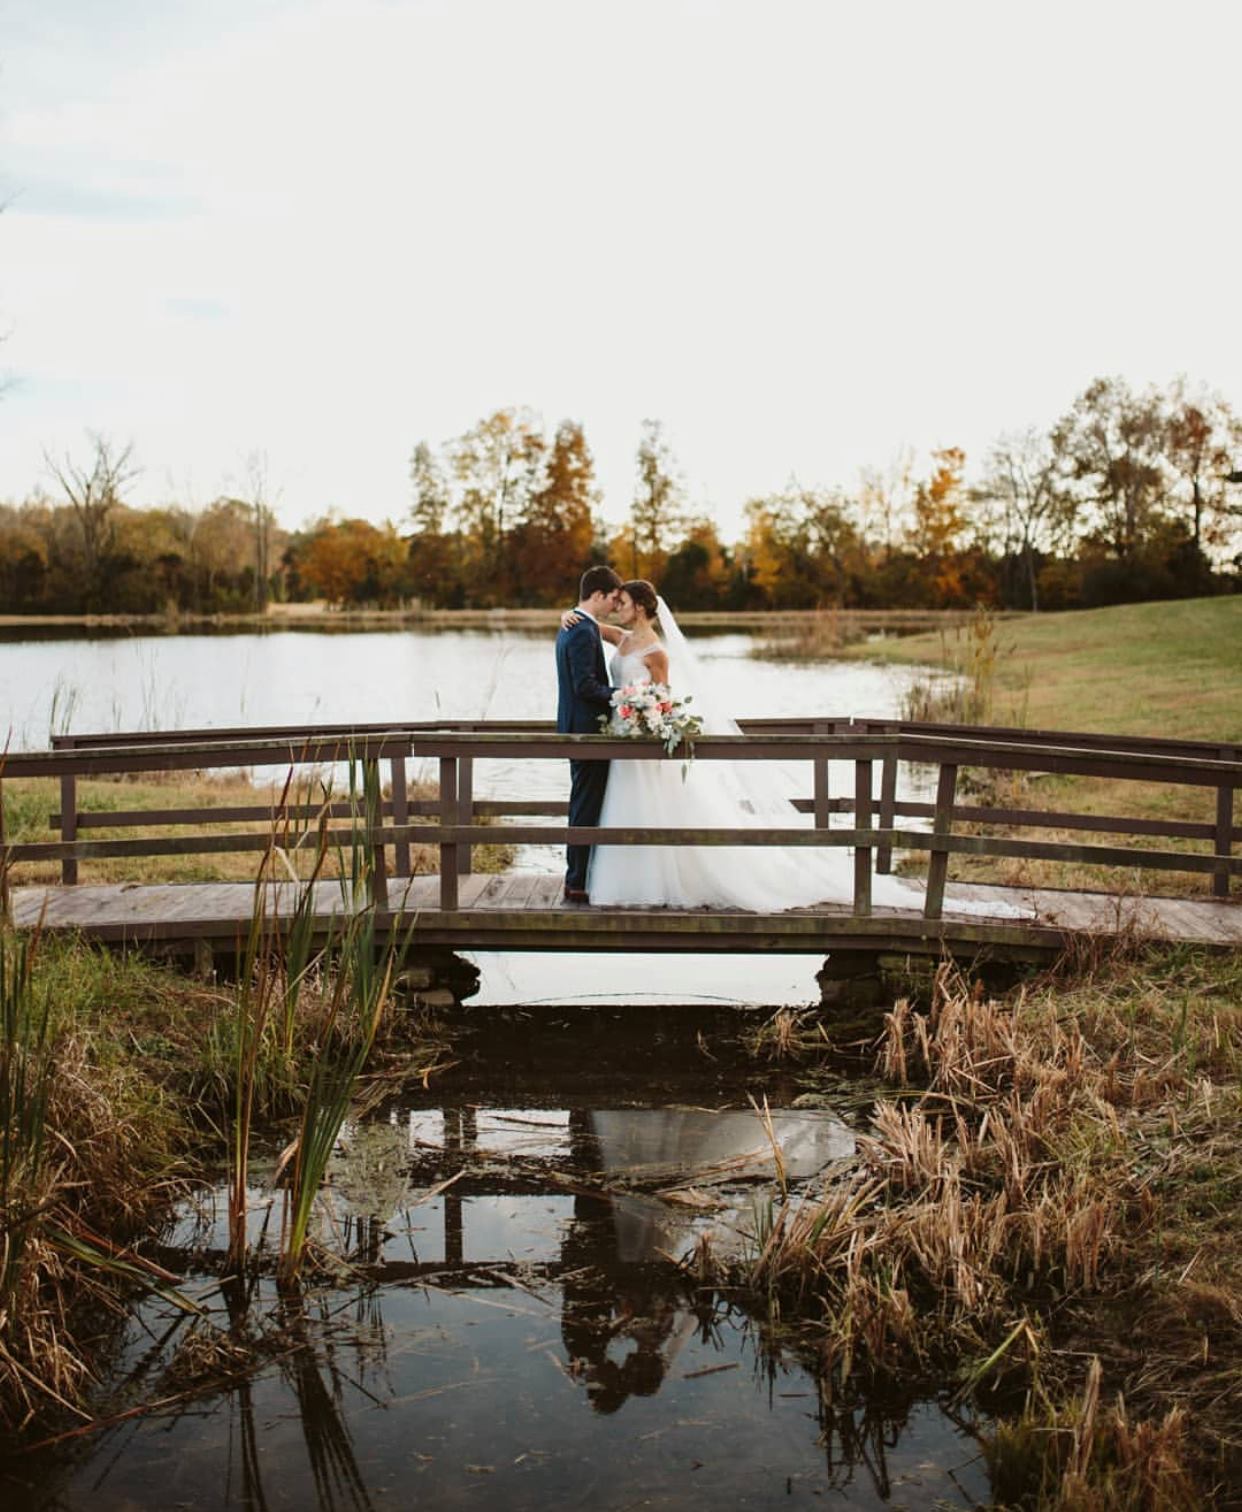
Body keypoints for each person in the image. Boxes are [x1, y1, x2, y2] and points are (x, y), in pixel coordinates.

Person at [563, 580, 1033, 918]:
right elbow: (588, 626)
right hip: (628, 749)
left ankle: (669, 881)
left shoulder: (657, 653)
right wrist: (570, 615)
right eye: (615, 603)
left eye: (623, 604)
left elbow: (662, 700)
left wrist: (646, 710)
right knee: (624, 810)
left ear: (643, 608)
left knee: (659, 810)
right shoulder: (622, 639)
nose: (618, 610)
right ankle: (621, 883)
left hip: (644, 745)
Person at [555, 564, 623, 900]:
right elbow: (585, 686)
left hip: (577, 728)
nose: (615, 604)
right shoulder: (581, 630)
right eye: (612, 598)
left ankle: (578, 876)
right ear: (597, 595)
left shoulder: (576, 625)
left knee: (582, 802)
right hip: (586, 732)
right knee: (585, 805)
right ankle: (577, 882)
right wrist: (623, 696)